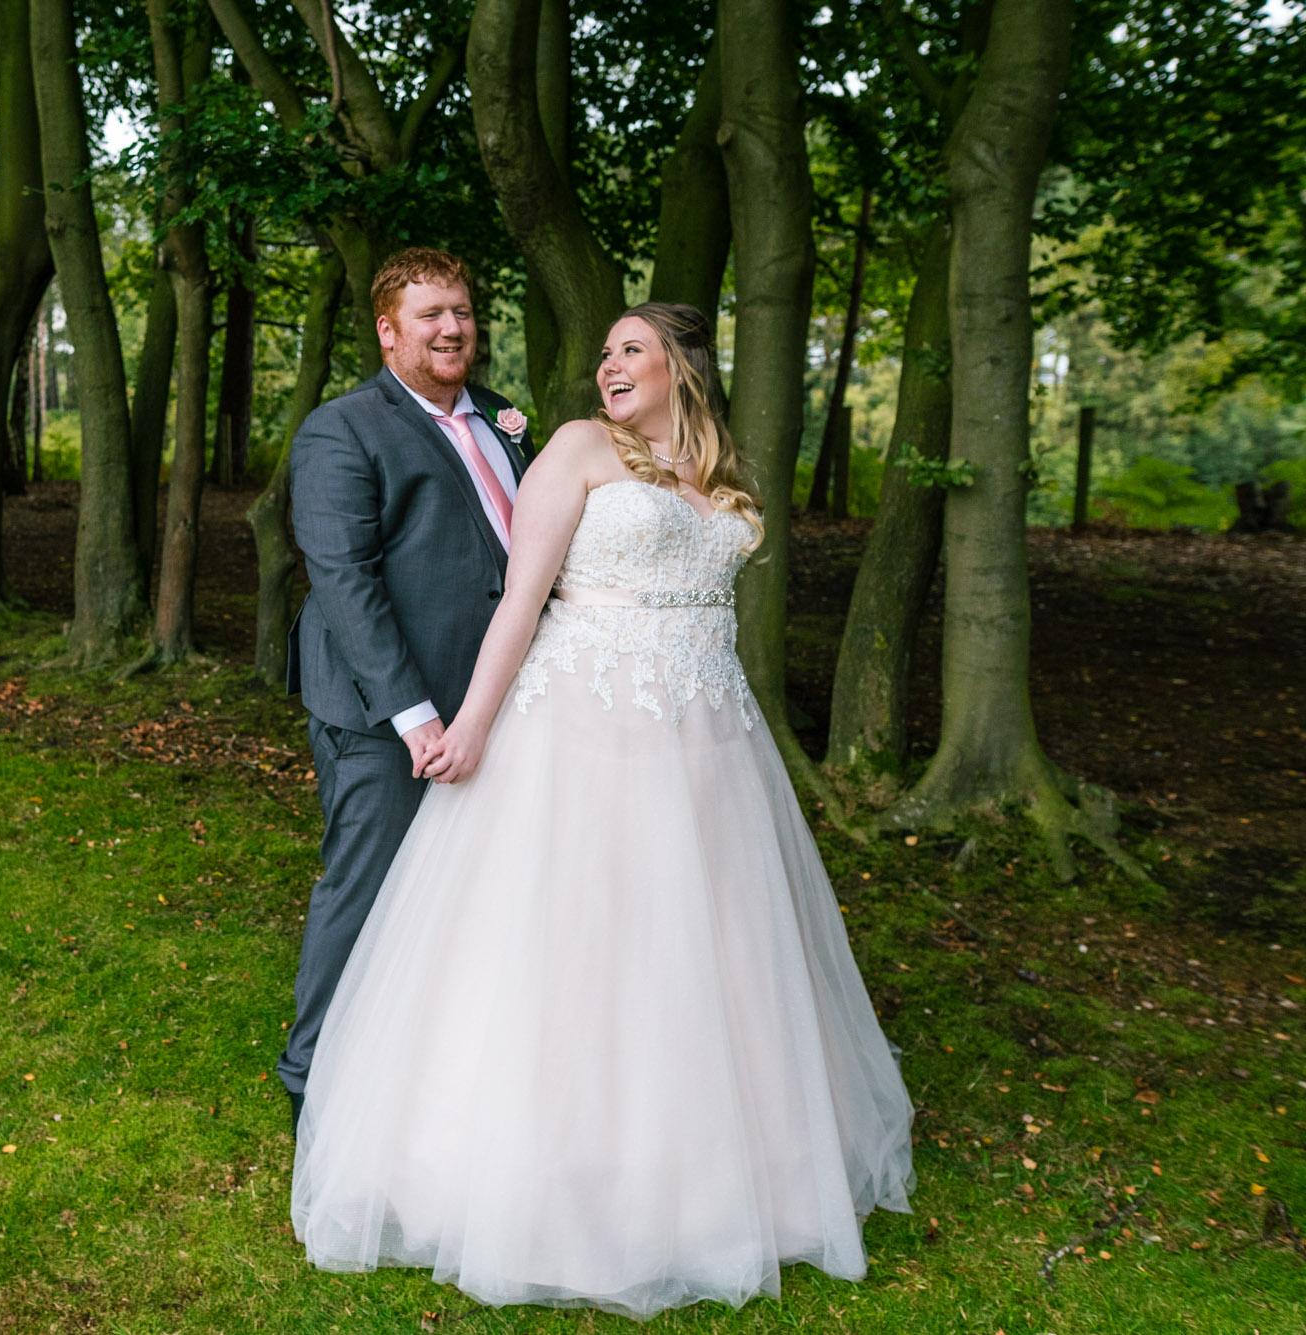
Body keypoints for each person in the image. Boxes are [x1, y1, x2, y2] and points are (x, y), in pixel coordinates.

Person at [289, 302, 916, 1321]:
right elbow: (519, 599)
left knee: (710, 943)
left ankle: (715, 1168)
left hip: (708, 735)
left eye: (630, 349)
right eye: (605, 351)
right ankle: (541, 1166)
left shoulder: (723, 468)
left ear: (680, 365)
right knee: (581, 936)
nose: (606, 365)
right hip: (581, 727)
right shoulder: (578, 446)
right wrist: (470, 729)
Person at [280, 248, 536, 1127]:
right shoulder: (342, 429)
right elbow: (344, 580)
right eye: (430, 315)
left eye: (461, 311)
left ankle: (430, 1067)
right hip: (385, 712)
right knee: (367, 884)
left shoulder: (506, 419)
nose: (453, 328)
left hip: (495, 704)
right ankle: (310, 1079)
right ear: (389, 332)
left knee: (471, 889)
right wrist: (415, 718)